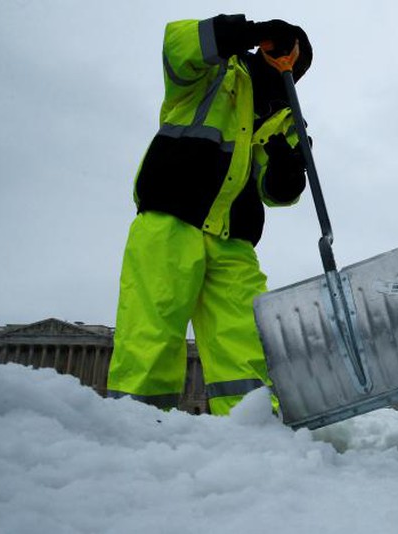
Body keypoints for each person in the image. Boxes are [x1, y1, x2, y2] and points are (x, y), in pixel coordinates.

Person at [106, 14, 313, 415]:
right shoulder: (212, 77)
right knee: (150, 335)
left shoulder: (288, 120)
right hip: (171, 221)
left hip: (233, 240)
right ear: (266, 50)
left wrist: (289, 169)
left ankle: (250, 433)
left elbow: (279, 194)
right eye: (283, 54)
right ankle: (134, 431)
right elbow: (178, 44)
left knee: (248, 345)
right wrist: (249, 30)